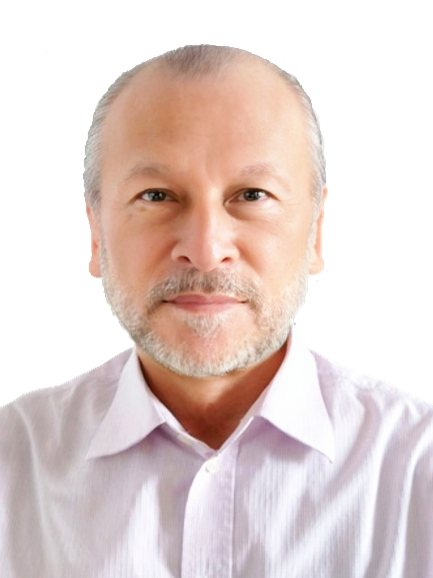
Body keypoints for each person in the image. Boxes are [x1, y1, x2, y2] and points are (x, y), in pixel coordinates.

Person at [1, 45, 431, 578]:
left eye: (251, 194)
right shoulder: (11, 460)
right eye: (157, 196)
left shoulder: (420, 464)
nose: (205, 251)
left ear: (317, 230)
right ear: (95, 232)